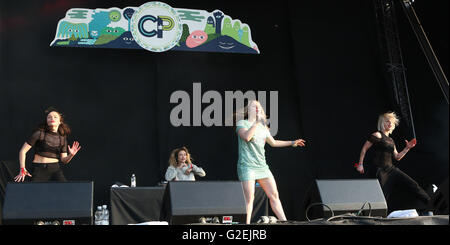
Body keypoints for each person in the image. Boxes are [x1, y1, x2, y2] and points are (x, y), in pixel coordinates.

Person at [234, 100, 306, 224]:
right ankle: (246, 225)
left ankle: (284, 222)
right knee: (249, 199)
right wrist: (256, 122)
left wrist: (292, 142)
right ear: (248, 110)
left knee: (274, 195)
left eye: (259, 107)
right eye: (253, 106)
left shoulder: (263, 128)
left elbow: (273, 142)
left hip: (262, 167)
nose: (257, 108)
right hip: (247, 166)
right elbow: (246, 137)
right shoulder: (242, 123)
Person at [356, 112, 430, 212]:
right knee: (381, 197)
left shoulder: (391, 140)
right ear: (382, 123)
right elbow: (364, 149)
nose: (390, 124)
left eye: (391, 122)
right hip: (380, 170)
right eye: (387, 121)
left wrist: (407, 148)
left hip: (391, 169)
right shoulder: (377, 135)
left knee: (412, 184)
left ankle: (431, 204)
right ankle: (370, 215)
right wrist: (360, 164)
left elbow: (397, 157)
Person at [14, 107, 81, 182]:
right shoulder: (39, 134)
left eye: (55, 117)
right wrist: (22, 168)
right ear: (47, 121)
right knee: (34, 192)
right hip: (39, 168)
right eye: (49, 117)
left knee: (64, 190)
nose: (52, 118)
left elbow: (64, 160)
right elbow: (23, 151)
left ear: (60, 121)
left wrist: (71, 155)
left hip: (55, 169)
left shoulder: (62, 139)